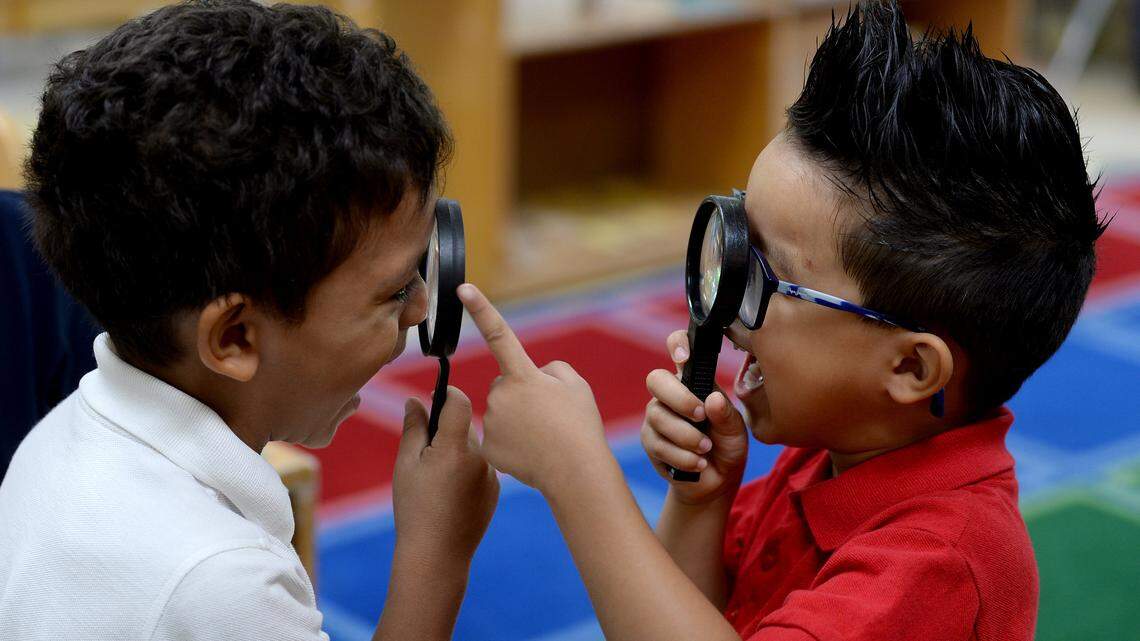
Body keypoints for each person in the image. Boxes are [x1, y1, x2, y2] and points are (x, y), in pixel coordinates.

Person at [456, 2, 1104, 639]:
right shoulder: (829, 452)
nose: (724, 298)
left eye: (764, 275)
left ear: (910, 366)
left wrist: (580, 479)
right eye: (736, 234)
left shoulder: (941, 569)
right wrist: (700, 503)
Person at [0, 2, 498, 639]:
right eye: (396, 290)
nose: (424, 307)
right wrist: (437, 554)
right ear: (233, 337)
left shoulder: (59, 434)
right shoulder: (223, 584)